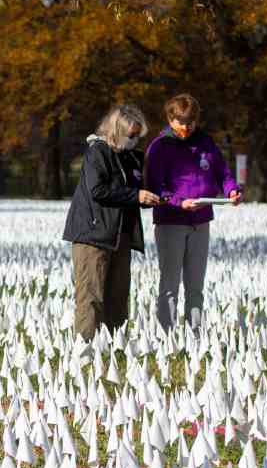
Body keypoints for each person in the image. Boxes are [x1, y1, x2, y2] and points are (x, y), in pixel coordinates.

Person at [62, 104, 160, 340]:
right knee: (91, 295)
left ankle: (116, 345)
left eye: (138, 135)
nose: (135, 140)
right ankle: (85, 348)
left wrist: (154, 198)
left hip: (121, 236)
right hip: (93, 235)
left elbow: (137, 191)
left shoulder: (131, 158)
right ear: (116, 131)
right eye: (131, 135)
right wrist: (135, 196)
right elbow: (98, 190)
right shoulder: (98, 152)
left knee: (118, 295)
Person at [143, 94, 241, 329]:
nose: (186, 128)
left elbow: (222, 172)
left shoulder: (205, 142)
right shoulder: (159, 147)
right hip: (171, 222)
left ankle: (194, 331)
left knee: (196, 282)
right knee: (170, 282)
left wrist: (231, 191)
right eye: (181, 123)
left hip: (201, 221)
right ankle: (166, 333)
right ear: (170, 119)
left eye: (191, 123)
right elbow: (155, 186)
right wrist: (179, 202)